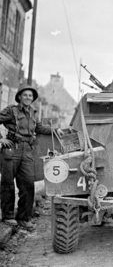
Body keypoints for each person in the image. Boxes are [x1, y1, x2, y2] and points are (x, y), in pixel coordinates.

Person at [0, 85, 63, 231]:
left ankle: (23, 218)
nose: (28, 98)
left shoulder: (33, 113)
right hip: (11, 149)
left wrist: (55, 130)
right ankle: (8, 216)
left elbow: (39, 128)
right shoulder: (11, 110)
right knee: (7, 184)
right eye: (25, 95)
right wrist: (1, 139)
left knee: (28, 184)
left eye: (30, 96)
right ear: (19, 97)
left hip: (27, 151)